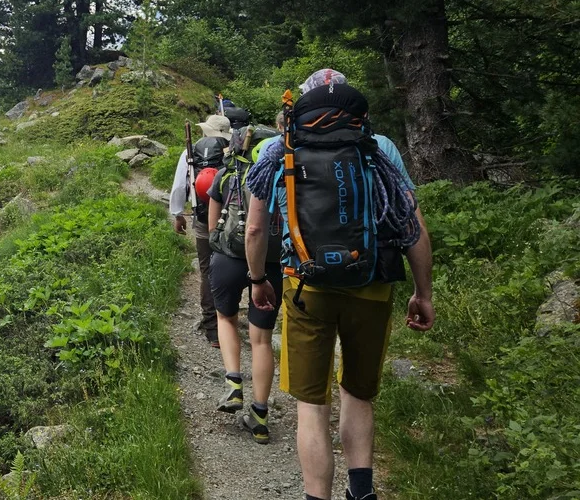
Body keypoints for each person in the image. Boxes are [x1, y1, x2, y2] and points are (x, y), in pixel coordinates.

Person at [244, 71, 435, 500]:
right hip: (371, 285)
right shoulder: (378, 147)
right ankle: (361, 492)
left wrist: (258, 280)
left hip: (306, 289)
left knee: (312, 406)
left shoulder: (280, 149)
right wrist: (423, 294)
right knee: (358, 393)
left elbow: (255, 230)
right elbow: (413, 229)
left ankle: (317, 496)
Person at [206, 124, 285, 444]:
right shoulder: (281, 176)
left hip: (227, 259)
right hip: (270, 263)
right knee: (262, 340)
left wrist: (218, 246)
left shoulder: (227, 175)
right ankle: (260, 416)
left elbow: (212, 223)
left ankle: (234, 382)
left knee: (226, 317)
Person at [170, 114, 232, 346]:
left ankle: (212, 328)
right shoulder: (235, 151)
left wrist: (178, 214)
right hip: (232, 222)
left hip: (203, 220)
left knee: (206, 271)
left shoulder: (191, 151)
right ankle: (229, 319)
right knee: (232, 266)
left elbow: (179, 186)